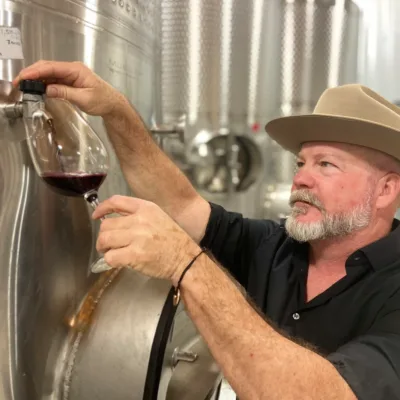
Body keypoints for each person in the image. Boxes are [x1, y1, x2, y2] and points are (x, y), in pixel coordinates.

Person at [13, 61, 400, 400]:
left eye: (326, 165)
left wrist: (187, 264)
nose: (301, 178)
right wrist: (115, 110)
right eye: (301, 163)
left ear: (385, 190)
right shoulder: (277, 248)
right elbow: (181, 206)